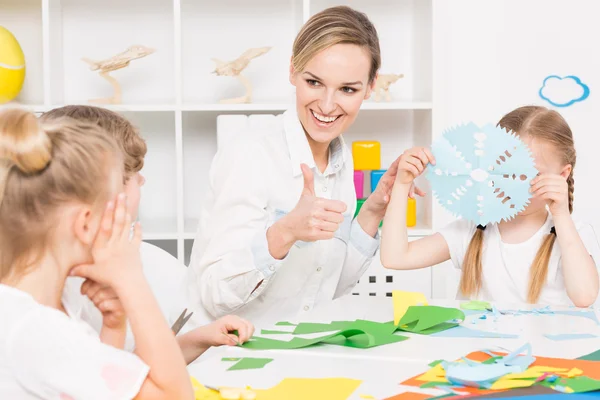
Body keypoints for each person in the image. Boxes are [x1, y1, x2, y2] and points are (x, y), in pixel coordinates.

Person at [188, 6, 412, 322]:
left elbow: (326, 288)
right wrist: (285, 232)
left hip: (297, 350)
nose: (327, 105)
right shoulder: (249, 154)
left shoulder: (340, 160)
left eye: (348, 89)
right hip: (229, 354)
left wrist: (373, 210)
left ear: (371, 87)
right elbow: (215, 296)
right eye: (314, 82)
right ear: (293, 71)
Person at [0, 108, 193, 399]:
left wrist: (113, 327)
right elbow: (176, 396)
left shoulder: (38, 309)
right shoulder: (39, 331)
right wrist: (132, 281)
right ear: (86, 223)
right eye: (116, 200)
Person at [41, 105, 254, 364]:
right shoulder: (60, 292)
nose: (142, 181)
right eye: (131, 175)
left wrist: (199, 338)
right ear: (103, 189)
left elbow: (118, 372)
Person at [380, 105, 600, 307]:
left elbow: (584, 297)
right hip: (476, 350)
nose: (516, 183)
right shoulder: (473, 229)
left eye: (532, 174)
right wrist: (402, 183)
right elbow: (395, 257)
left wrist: (560, 213)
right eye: (506, 171)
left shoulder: (574, 235)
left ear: (562, 175)